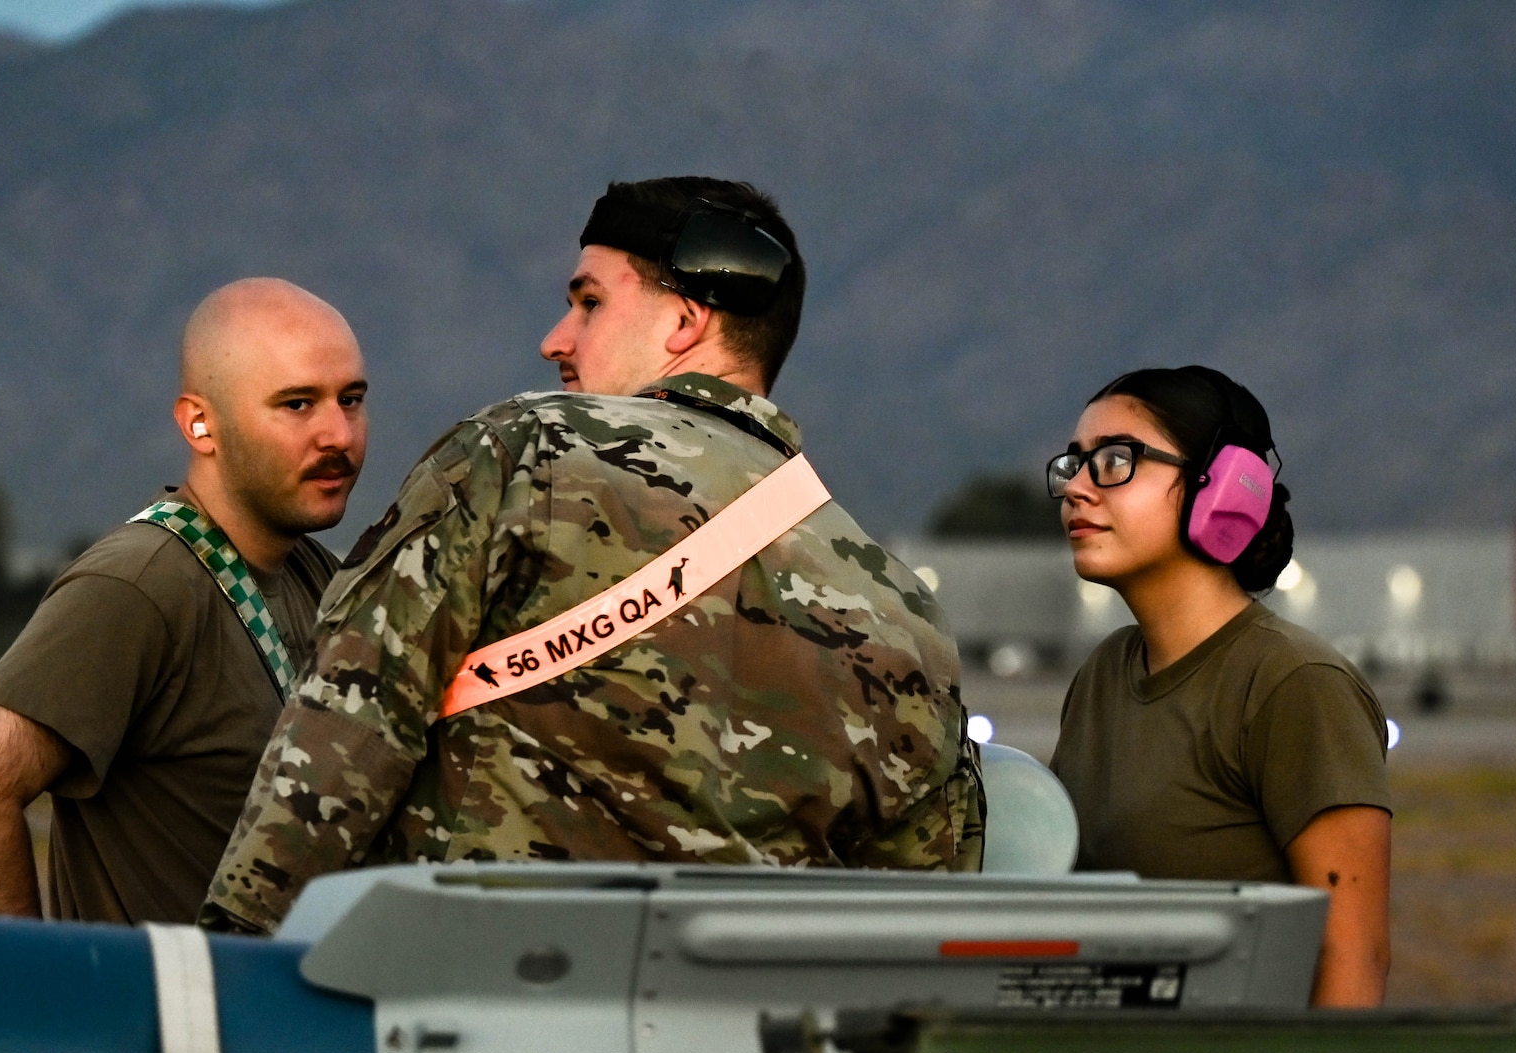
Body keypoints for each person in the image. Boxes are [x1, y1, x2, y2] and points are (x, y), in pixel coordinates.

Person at [200, 176, 982, 935]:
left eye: (589, 303)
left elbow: (346, 730)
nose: (555, 340)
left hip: (479, 1020)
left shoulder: (522, 455)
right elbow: (919, 918)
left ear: (683, 323)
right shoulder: (906, 613)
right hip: (742, 1050)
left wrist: (235, 960)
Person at [0, 278, 368, 923]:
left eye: (350, 400)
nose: (338, 435)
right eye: (296, 405)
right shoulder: (139, 585)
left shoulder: (317, 575)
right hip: (165, 1019)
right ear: (199, 424)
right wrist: (33, 1004)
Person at [1046, 366, 1391, 1006]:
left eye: (1116, 461)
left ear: (1224, 487)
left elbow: (1354, 958)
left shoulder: (1296, 684)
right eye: (1073, 464)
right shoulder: (1102, 675)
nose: (1077, 488)